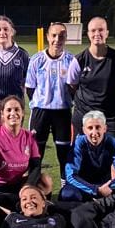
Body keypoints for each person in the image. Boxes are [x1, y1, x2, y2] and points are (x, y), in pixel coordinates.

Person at [0, 95, 53, 217]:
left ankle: (44, 213)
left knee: (45, 181)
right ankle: (7, 222)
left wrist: (28, 185)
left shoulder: (28, 137)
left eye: (17, 110)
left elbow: (36, 166)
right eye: (9, 110)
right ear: (2, 114)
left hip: (16, 185)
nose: (13, 113)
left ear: (23, 113)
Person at [26, 21, 80, 178]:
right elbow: (30, 88)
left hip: (62, 112)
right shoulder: (36, 60)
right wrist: (42, 101)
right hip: (40, 112)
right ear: (48, 37)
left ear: (66, 38)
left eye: (61, 36)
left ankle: (66, 188)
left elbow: (75, 87)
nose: (57, 39)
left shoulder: (71, 60)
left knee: (65, 155)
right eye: (54, 35)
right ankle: (33, 187)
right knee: (36, 154)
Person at [73, 16, 115, 147]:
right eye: (93, 31)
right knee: (81, 159)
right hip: (83, 115)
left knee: (113, 159)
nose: (97, 34)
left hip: (110, 116)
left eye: (101, 30)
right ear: (88, 34)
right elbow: (72, 85)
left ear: (107, 33)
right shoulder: (78, 60)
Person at [60, 110, 115, 202]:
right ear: (84, 130)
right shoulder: (78, 144)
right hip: (84, 188)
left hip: (106, 187)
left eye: (98, 127)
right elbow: (70, 176)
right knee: (68, 193)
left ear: (105, 128)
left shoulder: (112, 142)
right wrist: (95, 190)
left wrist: (109, 186)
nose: (94, 132)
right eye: (90, 128)